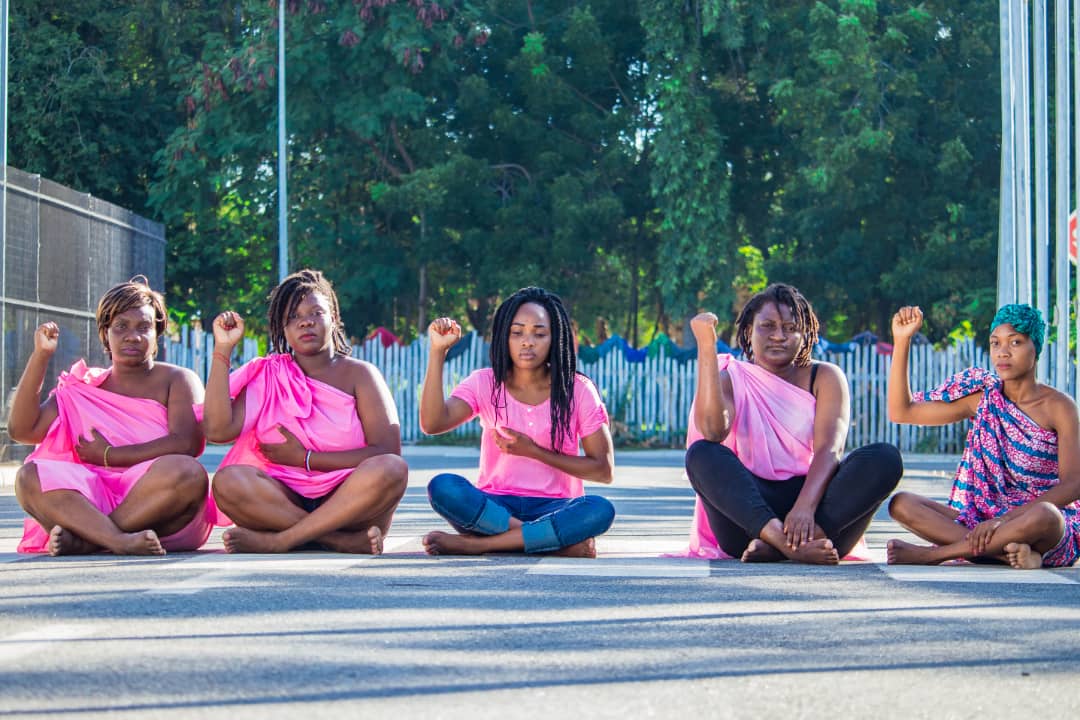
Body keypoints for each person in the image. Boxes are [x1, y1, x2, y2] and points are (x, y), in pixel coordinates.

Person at [684, 283, 903, 564]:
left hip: (817, 515)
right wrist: (706, 347)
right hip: (749, 517)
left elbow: (829, 449)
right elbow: (714, 430)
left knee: (884, 457)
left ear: (806, 334)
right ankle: (786, 543)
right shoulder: (732, 378)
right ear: (749, 331)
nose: (779, 336)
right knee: (702, 453)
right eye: (768, 326)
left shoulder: (825, 377)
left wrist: (804, 509)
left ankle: (778, 546)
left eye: (790, 328)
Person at [204, 269, 408, 554]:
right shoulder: (269, 375)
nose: (305, 323)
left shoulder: (361, 375)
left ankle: (282, 541)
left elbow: (387, 450)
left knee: (392, 469)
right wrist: (222, 350)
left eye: (316, 313)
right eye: (293, 317)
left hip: (353, 505)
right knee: (227, 481)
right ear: (283, 329)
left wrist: (307, 459)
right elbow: (217, 430)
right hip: (284, 502)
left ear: (334, 319)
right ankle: (337, 541)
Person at [10, 277, 211, 556]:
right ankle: (117, 540)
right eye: (121, 327)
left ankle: (91, 540)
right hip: (90, 501)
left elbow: (187, 443)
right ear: (105, 333)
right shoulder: (81, 388)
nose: (133, 336)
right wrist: (41, 357)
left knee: (189, 472)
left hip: (160, 504)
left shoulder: (178, 379)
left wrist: (108, 456)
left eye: (144, 327)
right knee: (29, 476)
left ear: (157, 335)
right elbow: (23, 429)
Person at [419, 286, 615, 557]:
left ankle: (479, 545)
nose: (527, 342)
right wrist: (438, 352)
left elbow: (603, 470)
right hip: (494, 508)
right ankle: (547, 541)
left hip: (555, 507)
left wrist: (534, 452)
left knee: (600, 509)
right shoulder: (484, 382)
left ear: (554, 338)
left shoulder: (578, 390)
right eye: (517, 332)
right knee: (443, 487)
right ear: (504, 337)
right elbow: (432, 423)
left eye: (539, 333)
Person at [886, 304, 1080, 569]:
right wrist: (902, 339)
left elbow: (1073, 485)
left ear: (1036, 348)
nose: (1003, 352)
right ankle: (1007, 555)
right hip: (987, 518)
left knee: (1046, 515)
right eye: (995, 343)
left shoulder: (1060, 407)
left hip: (1040, 524)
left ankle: (934, 555)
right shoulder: (984, 399)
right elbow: (902, 412)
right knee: (902, 504)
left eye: (1016, 342)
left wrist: (1005, 520)